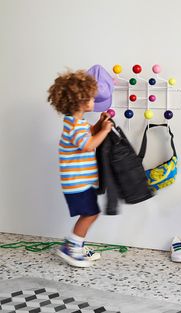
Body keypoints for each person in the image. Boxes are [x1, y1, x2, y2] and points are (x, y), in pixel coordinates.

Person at [48, 70, 113, 267]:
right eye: (92, 98)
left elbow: (87, 134)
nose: (94, 101)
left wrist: (99, 125)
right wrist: (105, 131)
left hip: (80, 181)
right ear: (81, 101)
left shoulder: (75, 123)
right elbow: (88, 145)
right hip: (77, 183)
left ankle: (77, 244)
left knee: (91, 212)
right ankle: (72, 247)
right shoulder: (75, 126)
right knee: (91, 213)